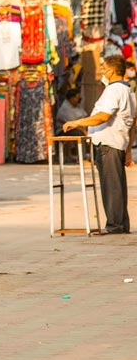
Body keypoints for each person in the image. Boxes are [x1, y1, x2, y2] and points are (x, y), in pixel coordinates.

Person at [62, 56, 135, 234]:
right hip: (118, 142)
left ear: (111, 71)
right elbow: (133, 123)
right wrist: (127, 150)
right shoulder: (128, 91)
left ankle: (115, 225)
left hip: (108, 143)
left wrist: (78, 123)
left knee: (111, 186)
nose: (102, 72)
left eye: (104, 68)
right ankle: (120, 223)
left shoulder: (114, 90)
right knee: (116, 185)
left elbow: (102, 116)